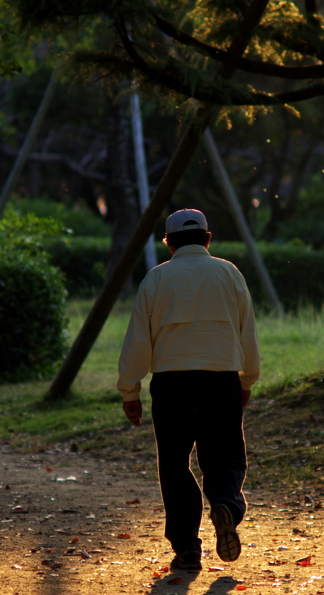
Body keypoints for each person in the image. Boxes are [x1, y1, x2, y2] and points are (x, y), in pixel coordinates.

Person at [117, 208, 261, 571]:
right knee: (224, 455)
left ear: (169, 243)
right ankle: (226, 504)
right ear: (208, 239)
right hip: (221, 378)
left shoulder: (157, 279)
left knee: (175, 465)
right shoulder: (230, 274)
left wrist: (129, 391)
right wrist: (247, 380)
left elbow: (138, 340)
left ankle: (186, 550)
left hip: (171, 384)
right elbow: (247, 333)